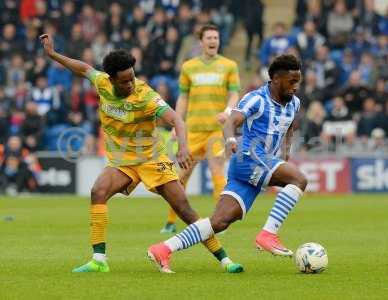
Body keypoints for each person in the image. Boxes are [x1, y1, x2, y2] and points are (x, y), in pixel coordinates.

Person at [39, 34, 243, 274]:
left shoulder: (146, 96)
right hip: (122, 161)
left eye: (132, 78)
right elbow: (83, 68)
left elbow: (176, 119)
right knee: (98, 191)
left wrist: (183, 147)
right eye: (124, 81)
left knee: (184, 209)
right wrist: (53, 55)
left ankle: (224, 259)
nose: (130, 84)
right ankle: (99, 259)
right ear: (112, 79)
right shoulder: (102, 82)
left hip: (151, 159)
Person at [148, 54, 308, 272]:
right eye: (292, 82)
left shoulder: (294, 103)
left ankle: (164, 248)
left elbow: (289, 126)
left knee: (219, 221)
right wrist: (231, 139)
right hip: (248, 157)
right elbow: (231, 121)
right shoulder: (257, 98)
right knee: (299, 179)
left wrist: (285, 153)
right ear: (276, 80)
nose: (295, 87)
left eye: (298, 81)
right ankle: (268, 234)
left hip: (257, 164)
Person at [160, 24, 240, 234]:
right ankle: (170, 221)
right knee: (180, 178)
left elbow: (234, 93)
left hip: (216, 131)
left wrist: (228, 110)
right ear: (201, 41)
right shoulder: (189, 67)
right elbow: (183, 97)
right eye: (209, 37)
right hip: (193, 131)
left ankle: (220, 222)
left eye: (216, 37)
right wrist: (178, 123)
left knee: (217, 172)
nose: (213, 41)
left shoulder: (229, 65)